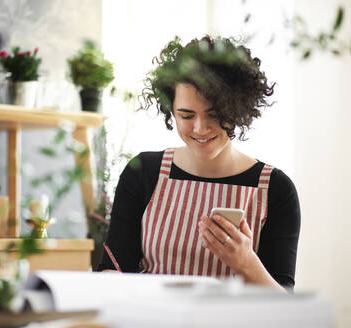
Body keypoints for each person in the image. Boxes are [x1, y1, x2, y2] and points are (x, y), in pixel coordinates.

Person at [98, 35, 300, 291]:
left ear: (238, 109)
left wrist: (246, 262)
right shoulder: (144, 173)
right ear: (171, 109)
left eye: (214, 115)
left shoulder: (275, 189)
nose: (200, 128)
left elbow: (285, 311)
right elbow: (114, 269)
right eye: (186, 115)